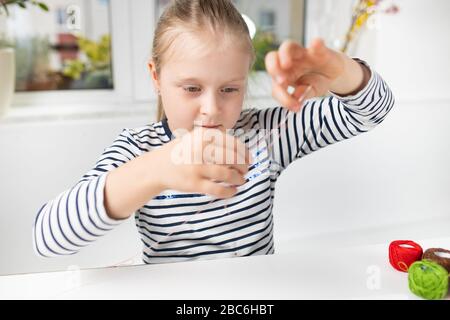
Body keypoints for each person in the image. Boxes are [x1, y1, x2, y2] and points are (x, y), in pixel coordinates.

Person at [33, 0, 394, 264]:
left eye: (229, 89)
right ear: (156, 77)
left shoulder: (265, 134)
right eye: (191, 88)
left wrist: (342, 71)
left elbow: (375, 110)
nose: (211, 108)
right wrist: (158, 169)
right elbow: (48, 237)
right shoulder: (137, 148)